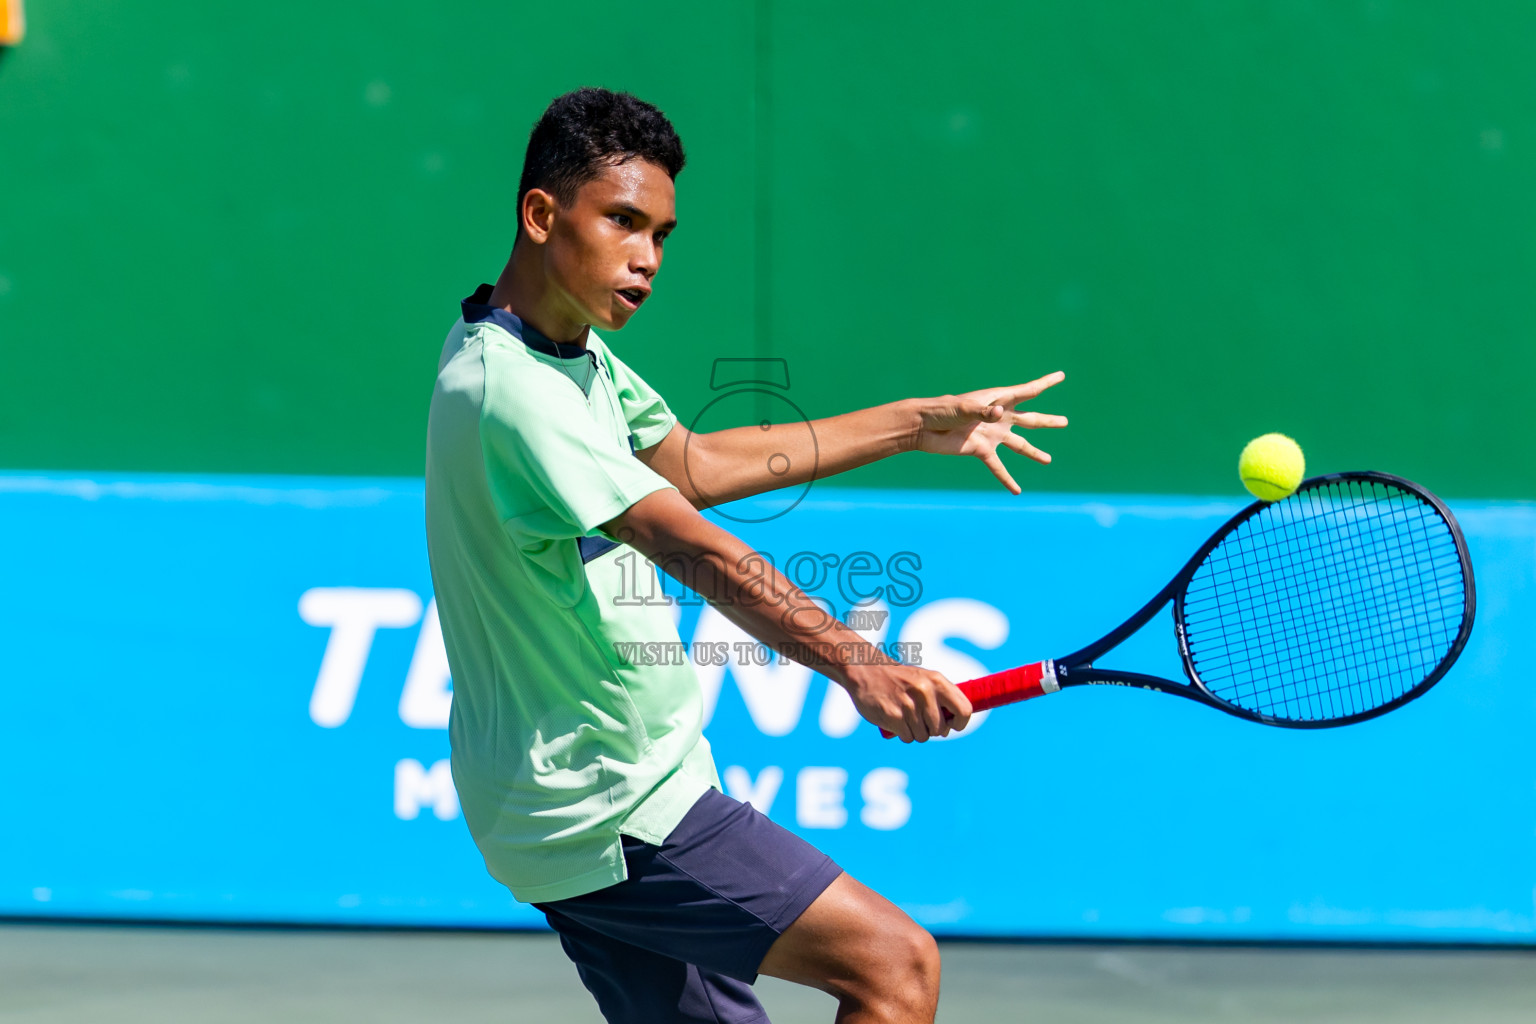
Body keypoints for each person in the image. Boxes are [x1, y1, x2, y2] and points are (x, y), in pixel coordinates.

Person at [424, 87, 1066, 1024]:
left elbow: (693, 463)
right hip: (615, 805)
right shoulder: (512, 393)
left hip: (564, 802)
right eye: (624, 223)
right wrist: (860, 664)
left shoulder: (564, 352)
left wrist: (917, 424)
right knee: (896, 971)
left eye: (662, 235)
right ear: (540, 214)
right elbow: (687, 540)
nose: (646, 259)